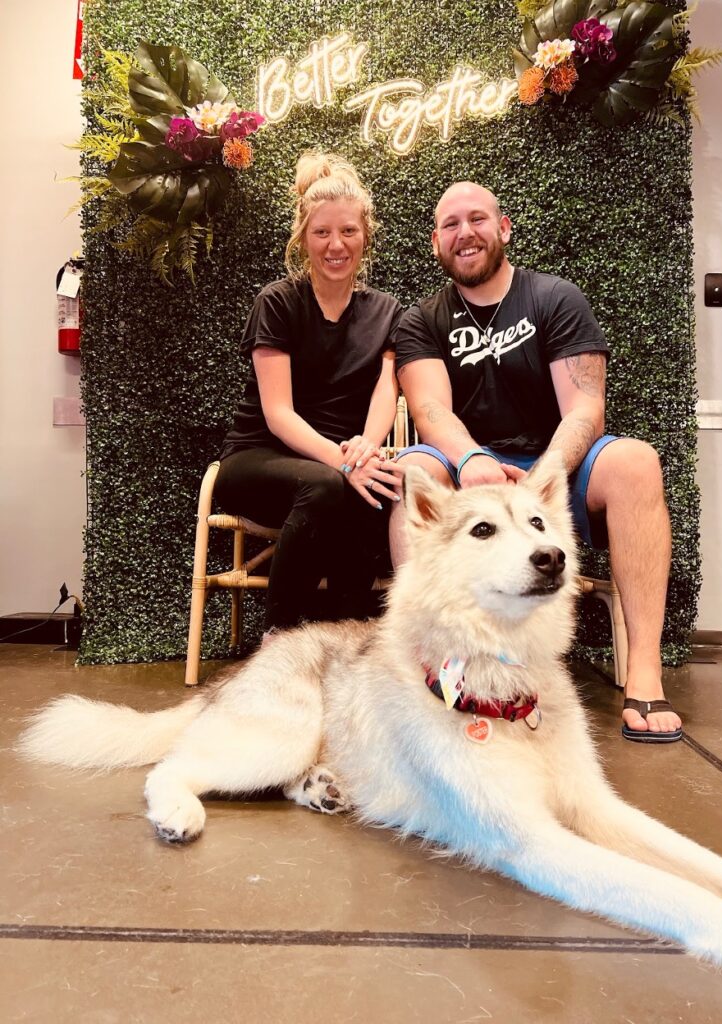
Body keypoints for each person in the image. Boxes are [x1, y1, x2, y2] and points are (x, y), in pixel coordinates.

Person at [389, 181, 682, 743]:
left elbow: (585, 407)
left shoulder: (554, 298)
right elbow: (429, 408)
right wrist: (473, 456)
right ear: (435, 242)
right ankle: (427, 662)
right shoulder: (422, 320)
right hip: (469, 472)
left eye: (477, 219)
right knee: (413, 468)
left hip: (550, 474)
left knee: (636, 463)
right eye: (450, 224)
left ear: (503, 229)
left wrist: (547, 472)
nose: (464, 232)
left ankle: (645, 668)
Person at [215, 152, 402, 632]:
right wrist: (343, 463)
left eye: (348, 231)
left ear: (365, 236)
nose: (335, 245)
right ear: (303, 238)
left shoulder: (386, 311)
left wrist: (366, 448)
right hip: (258, 459)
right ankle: (278, 645)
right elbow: (278, 414)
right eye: (321, 233)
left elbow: (387, 390)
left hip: (338, 467)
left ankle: (349, 643)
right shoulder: (277, 302)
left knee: (371, 489)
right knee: (330, 485)